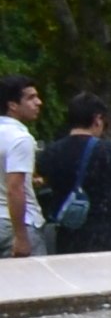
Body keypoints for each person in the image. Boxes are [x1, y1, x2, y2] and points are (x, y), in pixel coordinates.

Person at [29, 94, 111, 257]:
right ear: (97, 119)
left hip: (70, 234)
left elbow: (37, 181)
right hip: (110, 232)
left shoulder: (51, 152)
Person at [2, 76, 38, 258]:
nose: (38, 102)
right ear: (13, 105)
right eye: (31, 98)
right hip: (16, 223)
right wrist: (21, 236)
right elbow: (14, 188)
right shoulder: (20, 138)